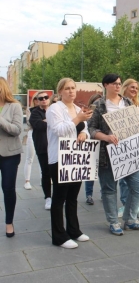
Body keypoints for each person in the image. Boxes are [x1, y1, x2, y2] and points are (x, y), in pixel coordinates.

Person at [88, 73, 139, 236]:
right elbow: (91, 129)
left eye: (119, 83)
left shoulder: (128, 102)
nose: (117, 86)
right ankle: (114, 222)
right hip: (107, 154)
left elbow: (137, 124)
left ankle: (130, 218)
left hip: (130, 153)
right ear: (105, 85)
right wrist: (106, 137)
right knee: (109, 189)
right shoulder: (99, 105)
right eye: (114, 83)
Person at [46, 78, 92, 248]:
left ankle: (74, 230)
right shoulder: (54, 109)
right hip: (59, 158)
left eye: (73, 88)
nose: (71, 91)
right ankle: (59, 236)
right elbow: (59, 130)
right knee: (59, 198)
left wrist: (84, 134)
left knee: (73, 197)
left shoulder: (78, 109)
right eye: (67, 88)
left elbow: (85, 128)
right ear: (60, 92)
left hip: (76, 158)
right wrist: (77, 119)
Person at [117, 78, 139, 219]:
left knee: (138, 180)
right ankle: (125, 205)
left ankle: (134, 206)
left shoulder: (137, 104)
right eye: (132, 87)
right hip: (122, 144)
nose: (135, 90)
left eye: (137, 88)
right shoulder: (120, 103)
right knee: (124, 179)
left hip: (135, 144)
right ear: (125, 88)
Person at [0, 77, 23, 237]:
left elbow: (16, 129)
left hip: (9, 154)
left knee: (8, 188)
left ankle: (9, 222)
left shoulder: (14, 106)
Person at [29, 91, 52, 210]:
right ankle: (48, 197)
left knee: (58, 173)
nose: (43, 99)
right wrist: (50, 122)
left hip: (56, 147)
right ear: (37, 100)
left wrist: (46, 122)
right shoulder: (35, 113)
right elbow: (39, 125)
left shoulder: (54, 110)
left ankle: (58, 196)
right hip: (42, 147)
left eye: (46, 97)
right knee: (46, 173)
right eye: (40, 98)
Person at [84, 93, 103, 205]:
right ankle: (89, 195)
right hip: (91, 144)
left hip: (103, 145)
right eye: (96, 102)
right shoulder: (88, 113)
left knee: (103, 172)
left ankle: (102, 192)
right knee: (90, 172)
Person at [24, 91, 39, 190]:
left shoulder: (47, 109)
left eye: (43, 98)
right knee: (30, 158)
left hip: (43, 134)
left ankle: (44, 178)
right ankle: (27, 181)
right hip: (32, 133)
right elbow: (30, 123)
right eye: (37, 98)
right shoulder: (30, 110)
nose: (40, 100)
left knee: (44, 158)